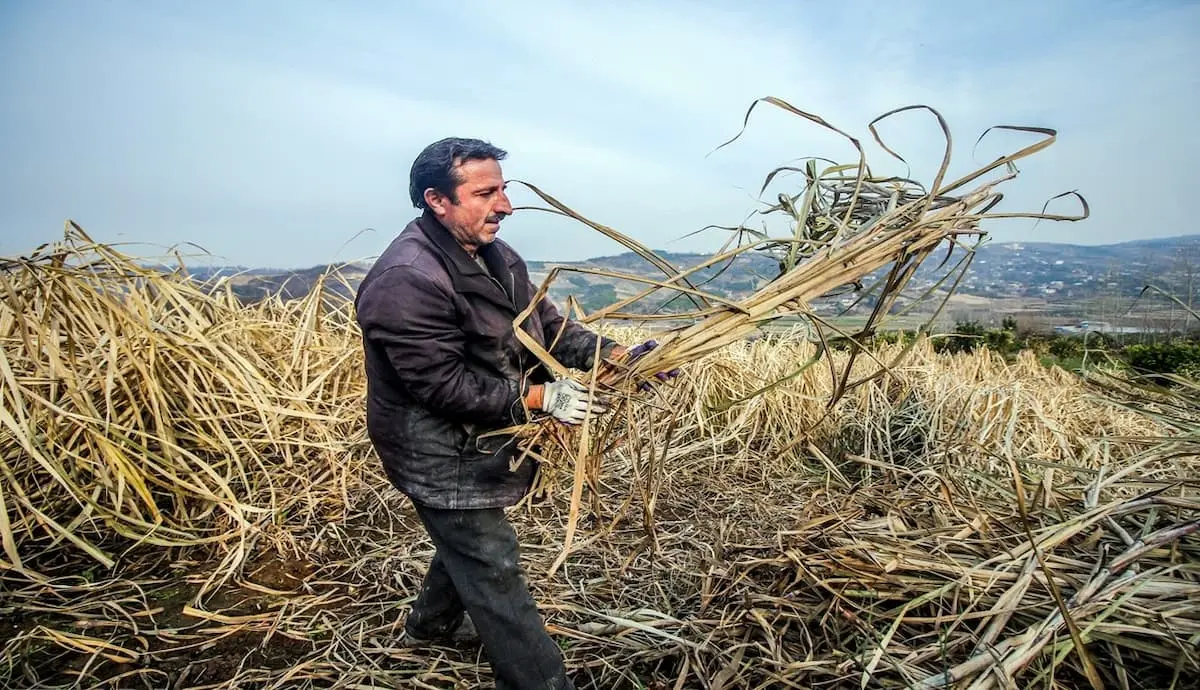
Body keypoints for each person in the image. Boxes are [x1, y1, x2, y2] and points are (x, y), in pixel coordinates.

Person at [353, 137, 667, 689]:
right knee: (491, 560)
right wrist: (541, 398)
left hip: (482, 437)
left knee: (466, 543)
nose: (505, 205)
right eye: (486, 192)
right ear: (437, 200)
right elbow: (439, 385)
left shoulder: (498, 256)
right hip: (435, 447)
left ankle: (428, 628)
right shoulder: (407, 280)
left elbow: (546, 328)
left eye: (504, 190)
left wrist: (615, 356)